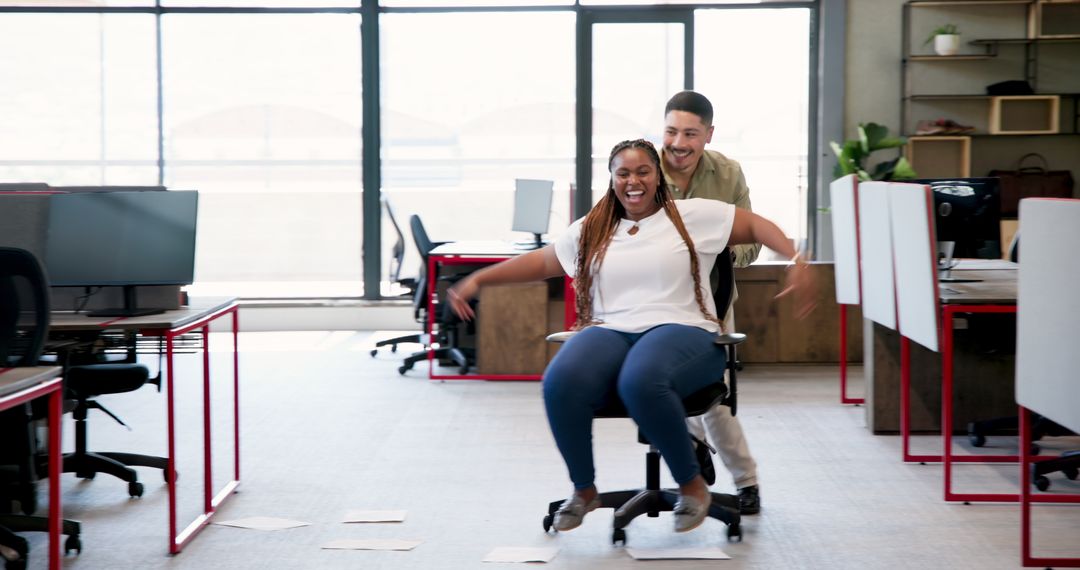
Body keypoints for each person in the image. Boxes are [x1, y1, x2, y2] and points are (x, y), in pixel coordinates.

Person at [447, 139, 815, 534]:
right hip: (611, 330)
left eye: (643, 171)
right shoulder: (593, 228)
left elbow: (756, 225)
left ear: (658, 177)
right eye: (623, 173)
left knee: (641, 380)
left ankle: (692, 486)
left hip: (685, 329)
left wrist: (797, 260)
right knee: (560, 381)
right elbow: (543, 261)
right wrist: (479, 280)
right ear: (612, 179)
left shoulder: (693, 216)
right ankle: (584, 490)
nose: (633, 181)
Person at [661, 90, 764, 515]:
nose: (678, 143)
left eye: (690, 133)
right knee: (659, 386)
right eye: (670, 131)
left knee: (712, 396)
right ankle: (697, 457)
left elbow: (751, 241)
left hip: (713, 303)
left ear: (708, 134)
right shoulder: (642, 169)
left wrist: (717, 253)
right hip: (656, 302)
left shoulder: (728, 174)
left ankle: (743, 480)